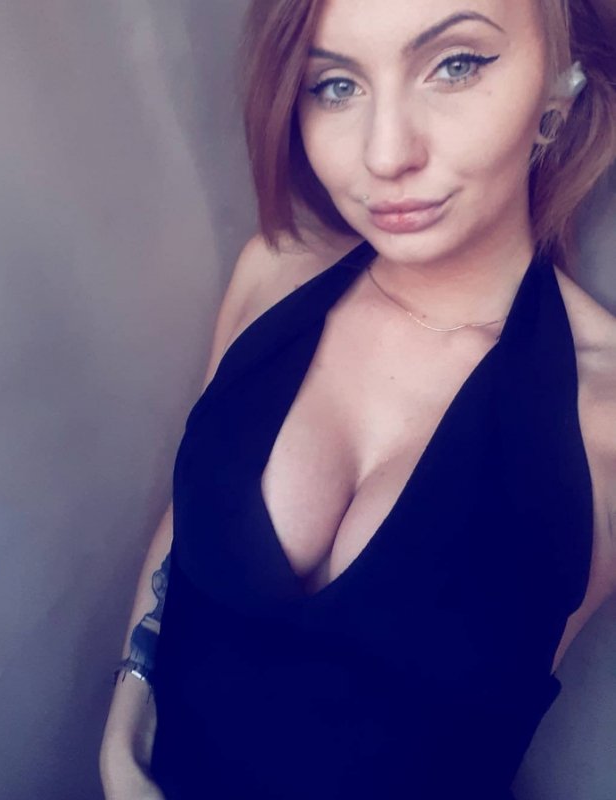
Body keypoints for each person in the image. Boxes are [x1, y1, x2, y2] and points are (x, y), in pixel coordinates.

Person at [100, 0, 616, 797]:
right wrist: (123, 727)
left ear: (559, 86)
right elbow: (189, 516)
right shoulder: (272, 275)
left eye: (455, 66)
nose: (384, 154)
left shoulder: (602, 411)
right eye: (335, 85)